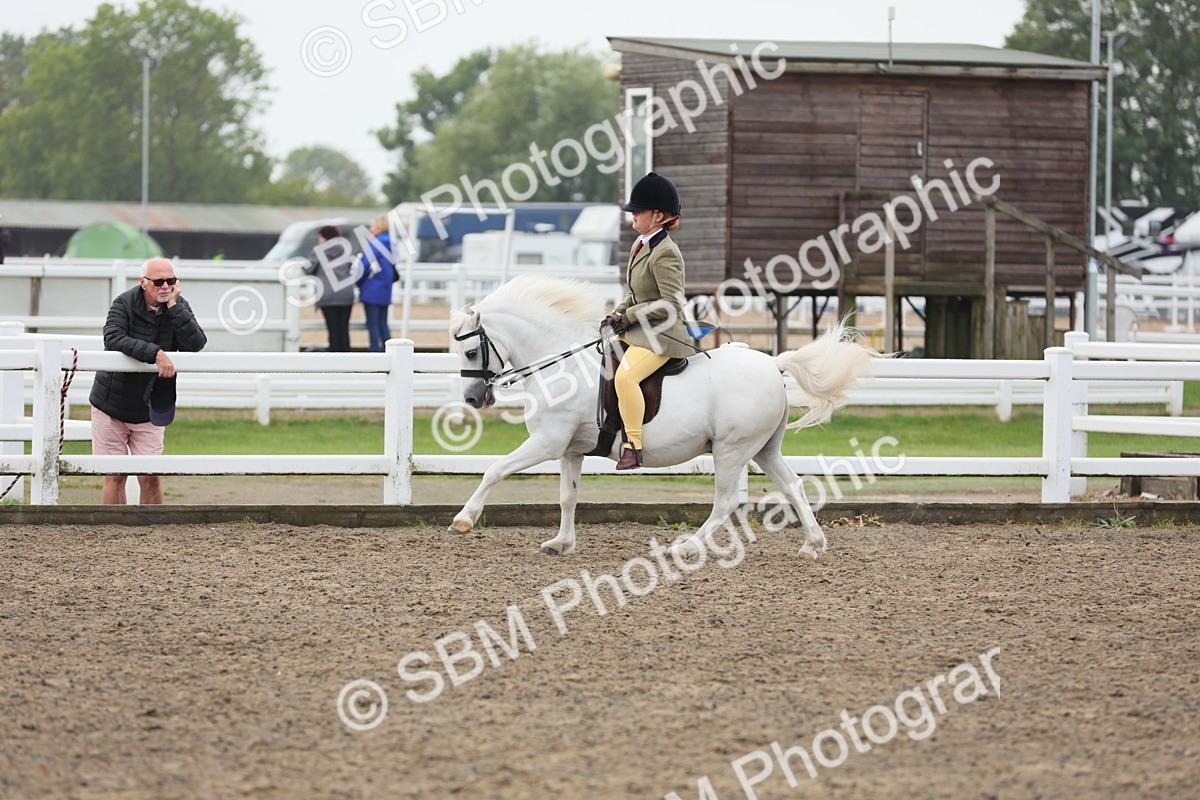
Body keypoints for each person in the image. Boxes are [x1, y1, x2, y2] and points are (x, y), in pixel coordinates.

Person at [89, 257, 207, 504]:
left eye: (171, 281)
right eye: (159, 281)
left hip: (152, 403)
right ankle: (114, 530)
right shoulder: (123, 302)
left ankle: (153, 532)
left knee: (151, 475)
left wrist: (174, 307)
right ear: (143, 282)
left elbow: (196, 344)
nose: (165, 286)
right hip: (112, 402)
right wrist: (155, 353)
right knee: (114, 475)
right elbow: (113, 339)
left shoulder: (179, 306)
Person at [601, 172, 693, 470]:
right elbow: (636, 294)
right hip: (641, 330)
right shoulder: (641, 244)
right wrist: (618, 312)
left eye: (637, 212)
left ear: (657, 216)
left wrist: (630, 315)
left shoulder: (666, 252)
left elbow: (673, 302)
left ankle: (633, 446)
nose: (633, 218)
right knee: (605, 357)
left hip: (663, 334)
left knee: (627, 377)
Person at [303, 224, 355, 352]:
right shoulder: (346, 250)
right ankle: (347, 361)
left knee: (333, 330)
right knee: (343, 329)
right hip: (346, 294)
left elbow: (309, 269)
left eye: (320, 237)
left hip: (328, 295)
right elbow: (350, 266)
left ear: (325, 238)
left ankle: (335, 361)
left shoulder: (319, 251)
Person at [356, 215, 397, 352]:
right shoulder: (392, 243)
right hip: (385, 289)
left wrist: (358, 282)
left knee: (372, 325)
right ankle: (390, 353)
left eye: (373, 225)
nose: (370, 228)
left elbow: (364, 265)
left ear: (380, 227)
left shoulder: (377, 243)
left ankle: (375, 354)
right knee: (383, 324)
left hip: (372, 289)